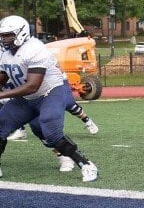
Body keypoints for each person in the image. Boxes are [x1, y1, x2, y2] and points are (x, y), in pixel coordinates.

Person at [0, 15, 98, 182]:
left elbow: (33, 85)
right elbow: (3, 76)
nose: (4, 39)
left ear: (21, 34)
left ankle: (86, 164)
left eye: (8, 35)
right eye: (2, 35)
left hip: (49, 93)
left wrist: (2, 95)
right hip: (27, 98)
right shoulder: (7, 53)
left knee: (51, 133)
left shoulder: (35, 49)